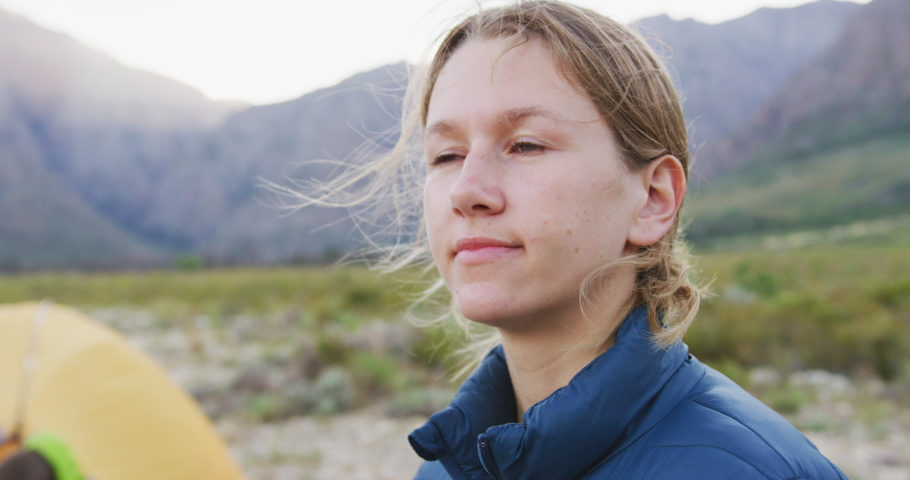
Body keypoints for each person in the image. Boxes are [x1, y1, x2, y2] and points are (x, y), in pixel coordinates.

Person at [289, 1, 848, 478]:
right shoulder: (445, 465)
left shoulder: (746, 470)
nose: (466, 190)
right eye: (446, 155)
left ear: (653, 199)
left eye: (526, 144)